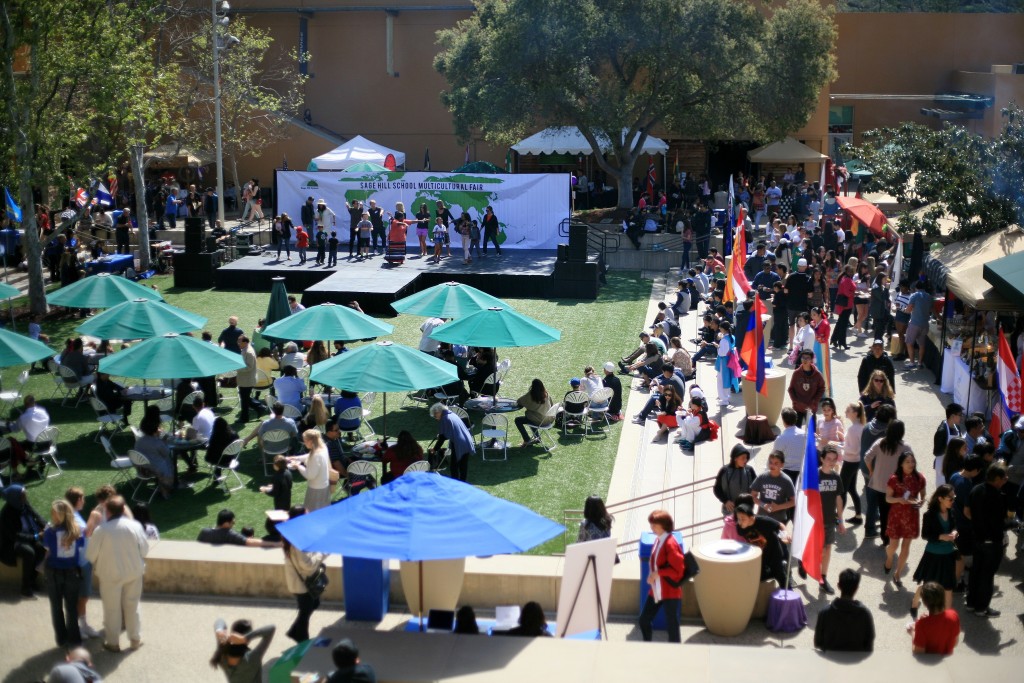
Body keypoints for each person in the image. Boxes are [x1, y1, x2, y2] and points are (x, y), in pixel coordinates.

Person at [85, 495, 149, 653]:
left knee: (111, 608)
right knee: (133, 606)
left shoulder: (102, 530)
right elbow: (145, 550)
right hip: (133, 572)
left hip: (109, 574)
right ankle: (135, 639)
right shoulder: (135, 526)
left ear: (107, 510)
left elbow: (90, 555)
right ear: (123, 509)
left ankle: (113, 642)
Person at [965, 462, 1013, 617]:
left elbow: (968, 512)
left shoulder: (976, 489)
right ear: (997, 479)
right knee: (987, 575)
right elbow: (1000, 522)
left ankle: (971, 603)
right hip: (992, 543)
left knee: (975, 572)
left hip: (977, 540)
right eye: (1004, 478)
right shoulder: (997, 497)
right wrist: (1011, 523)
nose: (1006, 480)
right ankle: (982, 608)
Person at [43, 499, 85, 648]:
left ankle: (61, 638)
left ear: (58, 515)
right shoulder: (78, 531)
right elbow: (80, 550)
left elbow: (48, 549)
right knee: (72, 607)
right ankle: (75, 638)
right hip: (72, 573)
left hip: (54, 572)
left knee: (56, 606)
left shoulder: (50, 532)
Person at [637, 509, 684, 643]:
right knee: (645, 619)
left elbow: (679, 570)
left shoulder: (669, 543)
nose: (652, 528)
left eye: (654, 525)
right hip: (659, 588)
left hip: (669, 590)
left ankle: (672, 652)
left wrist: (657, 573)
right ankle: (649, 645)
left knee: (672, 626)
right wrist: (654, 575)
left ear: (664, 525)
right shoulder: (661, 539)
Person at [282, 505, 327, 643]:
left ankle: (295, 631)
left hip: (299, 581)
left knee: (312, 605)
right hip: (302, 584)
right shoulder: (298, 538)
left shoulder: (293, 533)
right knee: (305, 612)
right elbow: (307, 565)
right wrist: (323, 552)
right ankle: (302, 640)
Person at [884, 452, 926, 585]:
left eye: (912, 461)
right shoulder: (894, 478)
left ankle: (897, 574)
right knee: (894, 545)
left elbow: (923, 494)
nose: (911, 464)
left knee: (906, 546)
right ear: (901, 464)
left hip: (911, 515)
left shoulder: (919, 478)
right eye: (907, 462)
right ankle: (889, 557)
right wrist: (899, 500)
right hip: (896, 515)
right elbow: (888, 498)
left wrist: (921, 501)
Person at [813, 568, 875, 653]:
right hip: (855, 662)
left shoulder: (824, 613)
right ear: (856, 588)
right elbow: (868, 646)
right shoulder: (865, 614)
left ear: (838, 586)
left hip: (831, 661)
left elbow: (818, 643)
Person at [0, 484, 46, 597]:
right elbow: (15, 536)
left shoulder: (23, 504)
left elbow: (35, 515)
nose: (25, 498)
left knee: (42, 548)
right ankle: (25, 587)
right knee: (29, 552)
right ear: (15, 498)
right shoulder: (6, 514)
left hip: (29, 535)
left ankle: (32, 580)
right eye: (23, 496)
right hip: (12, 543)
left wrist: (45, 526)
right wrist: (36, 537)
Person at [814, 445, 846, 594]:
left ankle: (823, 578)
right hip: (815, 522)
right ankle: (806, 563)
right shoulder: (814, 476)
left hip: (829, 521)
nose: (831, 462)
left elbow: (838, 499)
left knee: (827, 549)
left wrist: (840, 520)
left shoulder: (836, 477)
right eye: (828, 459)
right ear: (822, 459)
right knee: (819, 551)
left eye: (834, 459)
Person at [734, 503, 789, 588]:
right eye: (738, 519)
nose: (740, 522)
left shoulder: (764, 521)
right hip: (760, 556)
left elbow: (780, 525)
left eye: (743, 519)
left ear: (751, 517)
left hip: (774, 552)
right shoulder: (740, 528)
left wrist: (786, 535)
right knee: (759, 577)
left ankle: (789, 596)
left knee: (781, 576)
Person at [210, 617, 276, 683]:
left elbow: (219, 621)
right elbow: (271, 628)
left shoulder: (222, 653)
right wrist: (245, 638)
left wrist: (220, 632)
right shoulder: (252, 657)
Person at [908, 582, 960, 655]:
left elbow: (918, 652)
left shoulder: (922, 624)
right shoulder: (953, 615)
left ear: (925, 603)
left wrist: (913, 632)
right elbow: (955, 643)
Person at [429, 403, 474, 481]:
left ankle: (455, 484)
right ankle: (463, 483)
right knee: (463, 465)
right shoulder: (452, 414)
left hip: (459, 443)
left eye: (435, 416)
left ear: (438, 412)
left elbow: (443, 438)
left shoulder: (445, 418)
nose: (436, 418)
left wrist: (435, 449)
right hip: (467, 440)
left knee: (454, 466)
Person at [289, 430, 332, 512]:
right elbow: (309, 455)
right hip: (324, 485)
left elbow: (309, 475)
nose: (304, 443)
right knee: (324, 511)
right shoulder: (322, 447)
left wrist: (297, 466)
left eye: (305, 441)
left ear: (310, 441)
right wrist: (296, 458)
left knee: (312, 512)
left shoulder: (316, 456)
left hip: (316, 489)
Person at [751, 450, 796, 523]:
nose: (772, 465)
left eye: (776, 463)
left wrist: (778, 507)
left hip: (779, 519)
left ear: (782, 465)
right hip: (762, 517)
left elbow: (793, 501)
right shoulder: (762, 477)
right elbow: (753, 496)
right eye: (770, 462)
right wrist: (763, 505)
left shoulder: (786, 481)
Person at [840, 402, 866, 525]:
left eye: (848, 410)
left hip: (850, 462)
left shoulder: (853, 429)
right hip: (856, 462)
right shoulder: (860, 426)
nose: (846, 411)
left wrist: (840, 447)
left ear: (855, 413)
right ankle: (858, 515)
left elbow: (854, 450)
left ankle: (838, 517)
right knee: (851, 489)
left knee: (842, 490)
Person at [713, 444, 757, 516]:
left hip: (746, 511)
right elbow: (717, 489)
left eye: (746, 458)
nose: (745, 460)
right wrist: (725, 501)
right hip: (730, 512)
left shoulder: (749, 470)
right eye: (743, 458)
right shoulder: (724, 471)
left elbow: (756, 486)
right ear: (735, 458)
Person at [198, 509, 278, 548]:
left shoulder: (204, 532)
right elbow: (250, 542)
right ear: (226, 523)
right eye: (232, 522)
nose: (234, 524)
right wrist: (276, 544)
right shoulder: (229, 534)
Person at [787, 350, 825, 425]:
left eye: (807, 358)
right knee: (797, 431)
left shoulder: (817, 374)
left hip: (811, 408)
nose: (804, 360)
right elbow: (791, 389)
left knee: (812, 432)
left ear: (811, 360)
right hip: (798, 408)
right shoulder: (796, 373)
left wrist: (815, 401)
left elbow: (821, 388)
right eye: (803, 357)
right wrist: (795, 401)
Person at [260, 456, 293, 540]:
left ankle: (281, 534)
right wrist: (273, 486)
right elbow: (287, 485)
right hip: (287, 497)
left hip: (279, 500)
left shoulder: (277, 476)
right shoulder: (288, 472)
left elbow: (274, 492)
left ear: (277, 466)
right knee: (286, 513)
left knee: (280, 517)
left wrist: (265, 490)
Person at [932, 403, 964, 486]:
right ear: (952, 416)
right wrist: (951, 448)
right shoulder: (941, 431)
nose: (961, 417)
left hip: (955, 463)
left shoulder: (957, 428)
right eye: (960, 415)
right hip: (943, 465)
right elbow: (936, 452)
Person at [514, 379, 554, 447]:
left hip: (539, 421)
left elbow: (519, 401)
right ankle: (537, 437)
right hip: (549, 420)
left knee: (518, 420)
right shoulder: (546, 394)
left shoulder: (531, 395)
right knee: (532, 416)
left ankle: (526, 440)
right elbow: (552, 404)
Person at [772, 408, 806, 484]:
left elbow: (774, 457)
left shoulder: (781, 438)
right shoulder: (805, 435)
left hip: (787, 474)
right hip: (803, 473)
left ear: (783, 420)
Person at [904, 280, 932, 369]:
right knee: (922, 344)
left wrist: (904, 309)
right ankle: (919, 363)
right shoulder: (929, 296)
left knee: (909, 343)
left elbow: (909, 309)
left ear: (916, 288)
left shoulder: (914, 296)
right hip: (925, 324)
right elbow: (932, 310)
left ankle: (912, 362)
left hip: (915, 323)